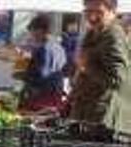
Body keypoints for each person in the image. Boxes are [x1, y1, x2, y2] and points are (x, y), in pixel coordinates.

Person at [71, 0, 131, 139]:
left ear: (113, 13)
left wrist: (87, 67)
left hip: (104, 122)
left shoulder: (113, 36)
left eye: (99, 12)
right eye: (88, 12)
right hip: (87, 115)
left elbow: (118, 80)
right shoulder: (93, 33)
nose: (92, 17)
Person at [19, 16, 68, 112]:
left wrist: (23, 76)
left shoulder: (44, 49)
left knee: (36, 121)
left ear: (40, 31)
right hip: (56, 93)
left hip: (42, 96)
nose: (31, 35)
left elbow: (43, 75)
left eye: (32, 31)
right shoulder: (59, 47)